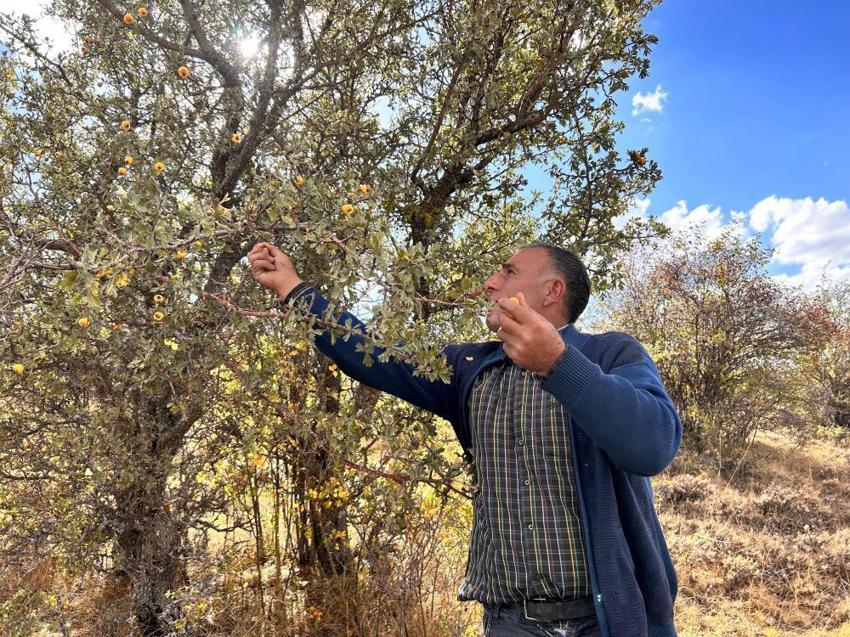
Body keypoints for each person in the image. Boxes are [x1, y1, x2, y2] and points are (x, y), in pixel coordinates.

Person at [247, 241, 681, 637]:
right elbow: (375, 354)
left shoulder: (611, 354)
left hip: (611, 619)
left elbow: (653, 445)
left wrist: (559, 365)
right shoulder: (469, 366)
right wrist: (294, 288)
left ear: (552, 291)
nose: (490, 282)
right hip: (511, 622)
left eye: (508, 273)